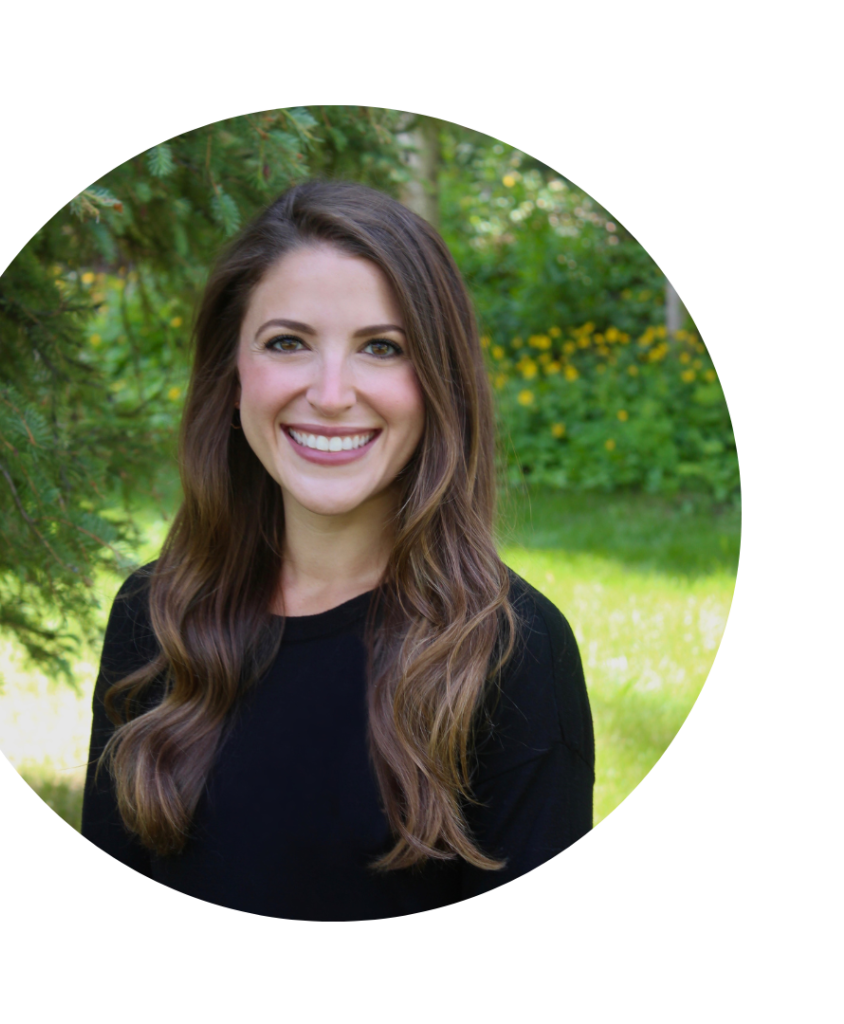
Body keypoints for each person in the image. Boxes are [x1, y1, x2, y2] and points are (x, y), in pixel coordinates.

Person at [81, 179, 594, 920]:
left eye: (381, 348)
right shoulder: (153, 617)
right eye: (287, 342)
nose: (329, 393)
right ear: (231, 377)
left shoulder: (512, 652)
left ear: (438, 385)